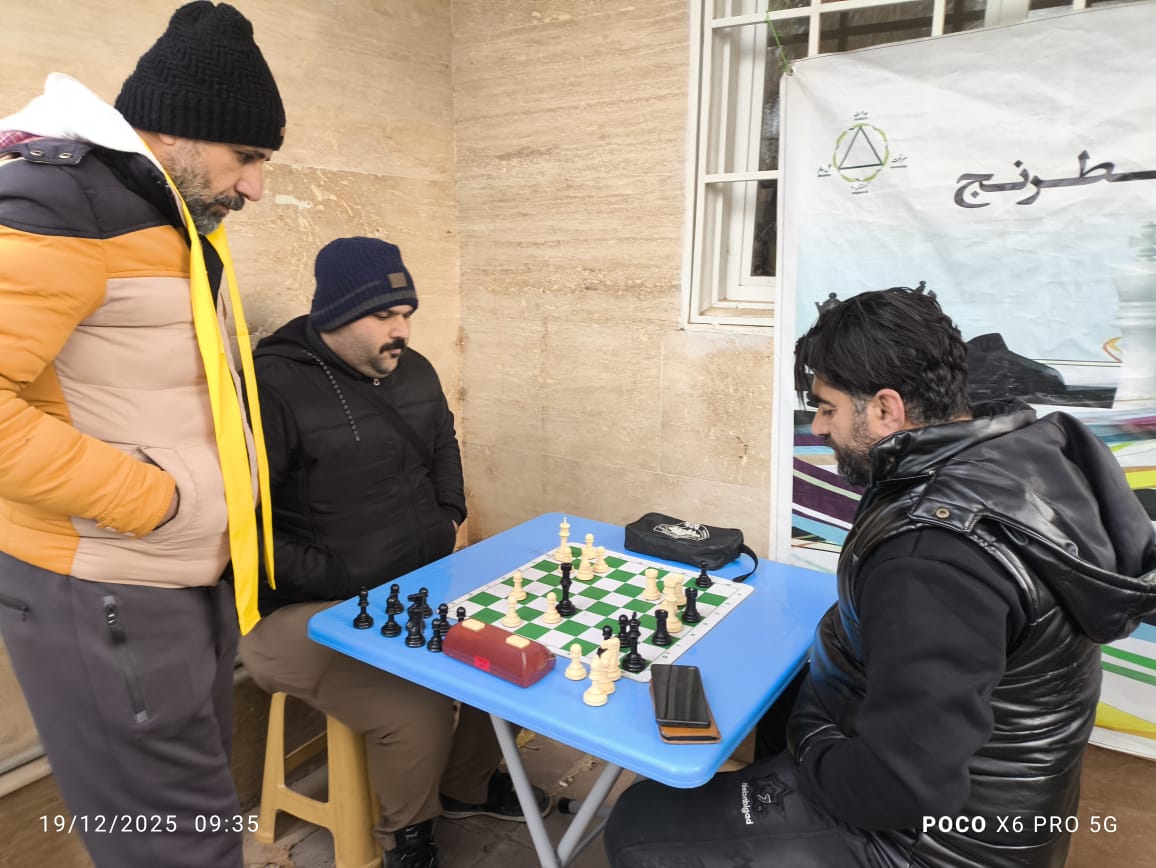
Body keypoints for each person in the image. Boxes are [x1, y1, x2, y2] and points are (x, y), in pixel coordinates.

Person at [604, 286, 1156, 868]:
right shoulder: (1005, 449)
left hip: (935, 843)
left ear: (887, 409)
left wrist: (809, 737)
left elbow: (900, 786)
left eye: (827, 408)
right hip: (1009, 801)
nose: (819, 428)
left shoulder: (934, 557)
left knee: (641, 826)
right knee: (780, 697)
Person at [0, 4, 283, 866]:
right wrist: (155, 503)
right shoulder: (64, 201)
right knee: (176, 846)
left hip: (174, 579)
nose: (256, 187)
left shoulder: (165, 215)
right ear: (175, 132)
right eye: (247, 157)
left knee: (193, 824)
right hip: (106, 583)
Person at [240, 236, 550, 868]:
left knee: (521, 648)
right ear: (336, 313)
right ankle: (408, 838)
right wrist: (342, 577)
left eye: (407, 313)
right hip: (305, 614)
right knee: (417, 703)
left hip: (411, 590)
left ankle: (466, 787)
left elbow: (443, 445)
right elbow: (240, 530)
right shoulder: (271, 387)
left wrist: (449, 514)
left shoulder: (416, 369)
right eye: (384, 315)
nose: (401, 329)